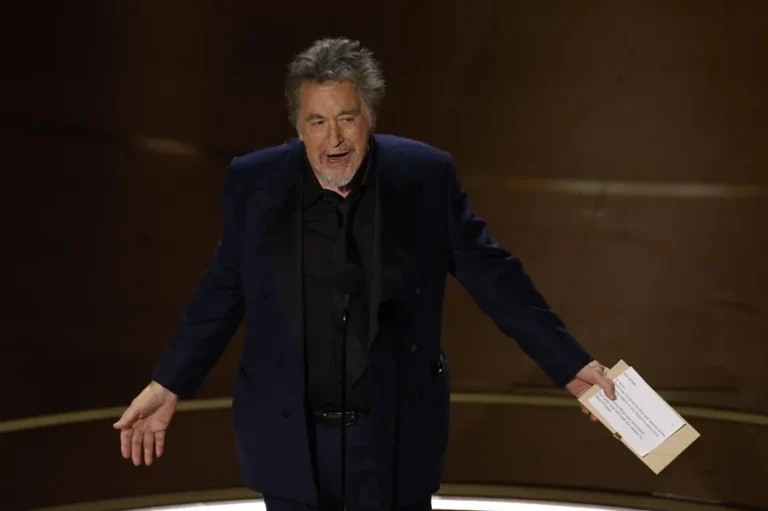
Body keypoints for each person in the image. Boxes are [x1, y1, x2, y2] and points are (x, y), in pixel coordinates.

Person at [113, 37, 617, 511]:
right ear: (298, 127)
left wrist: (569, 365)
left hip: (393, 442)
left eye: (346, 119)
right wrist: (169, 381)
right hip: (291, 444)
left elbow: (496, 278)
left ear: (369, 118)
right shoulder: (256, 182)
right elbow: (222, 290)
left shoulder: (424, 176)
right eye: (317, 121)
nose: (333, 139)